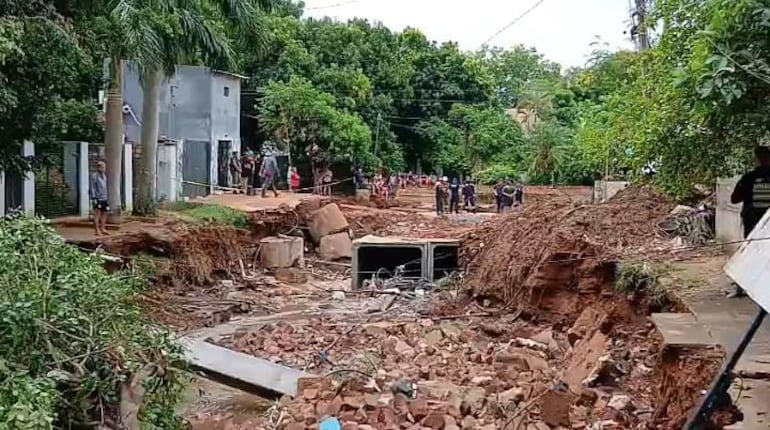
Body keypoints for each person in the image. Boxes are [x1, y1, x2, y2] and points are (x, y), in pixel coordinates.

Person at [728, 146, 770, 298]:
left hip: (753, 223)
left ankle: (742, 289)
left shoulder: (749, 177)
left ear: (756, 159)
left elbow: (734, 199)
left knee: (750, 255)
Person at [90, 160, 110, 236]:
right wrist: (94, 198)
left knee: (105, 212)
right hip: (97, 198)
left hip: (104, 197)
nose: (104, 168)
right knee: (97, 214)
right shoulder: (94, 176)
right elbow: (92, 187)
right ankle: (97, 230)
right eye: (103, 167)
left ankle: (103, 228)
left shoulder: (104, 176)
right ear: (99, 168)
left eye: (105, 167)